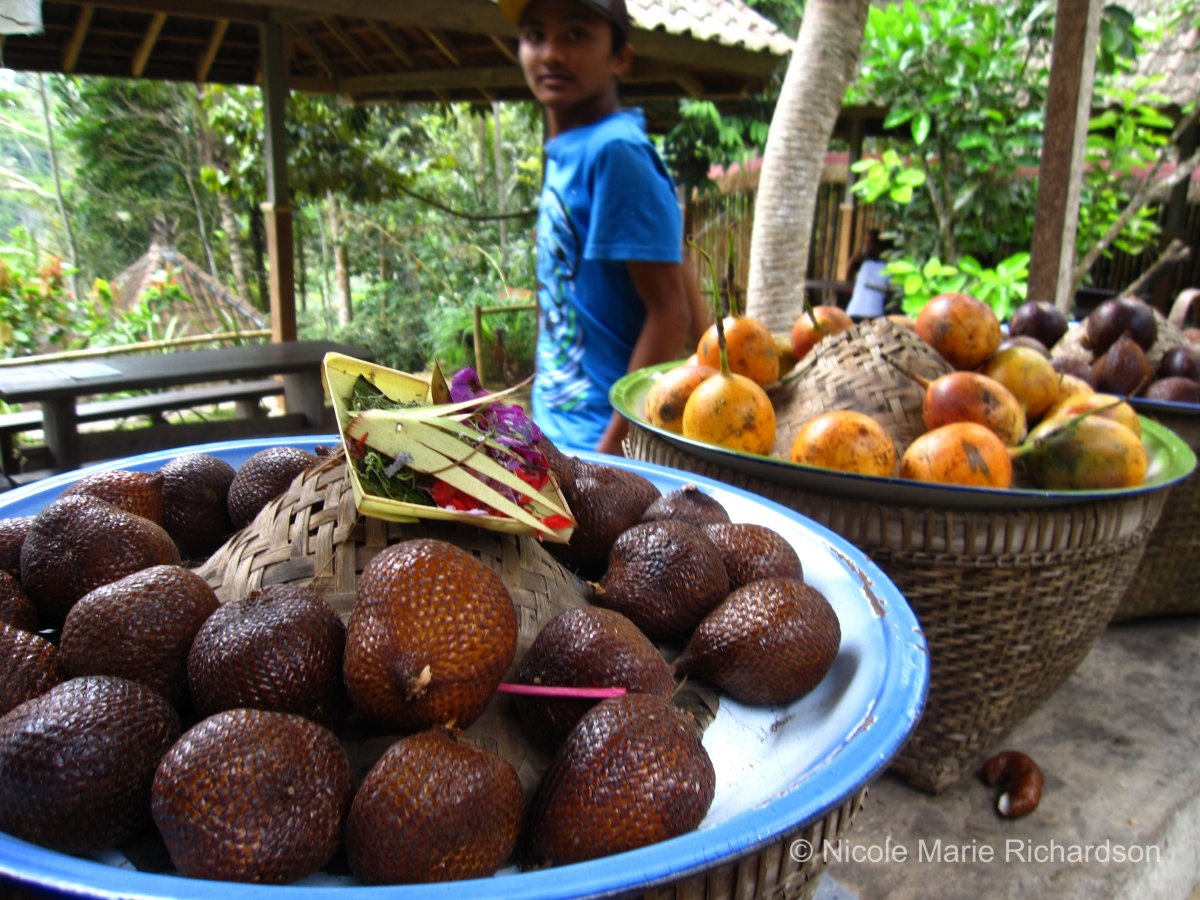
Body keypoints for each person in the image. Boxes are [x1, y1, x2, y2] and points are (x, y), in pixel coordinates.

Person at [501, 0, 704, 455]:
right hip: (557, 430)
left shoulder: (616, 152)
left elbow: (671, 312)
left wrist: (612, 451)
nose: (551, 53)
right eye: (535, 35)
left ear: (620, 57)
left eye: (575, 34)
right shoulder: (568, 149)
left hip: (599, 449)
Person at [845, 229, 893, 320]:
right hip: (875, 315)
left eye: (869, 243)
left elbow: (849, 275)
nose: (867, 246)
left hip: (853, 312)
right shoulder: (889, 267)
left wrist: (854, 257)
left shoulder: (865, 264)